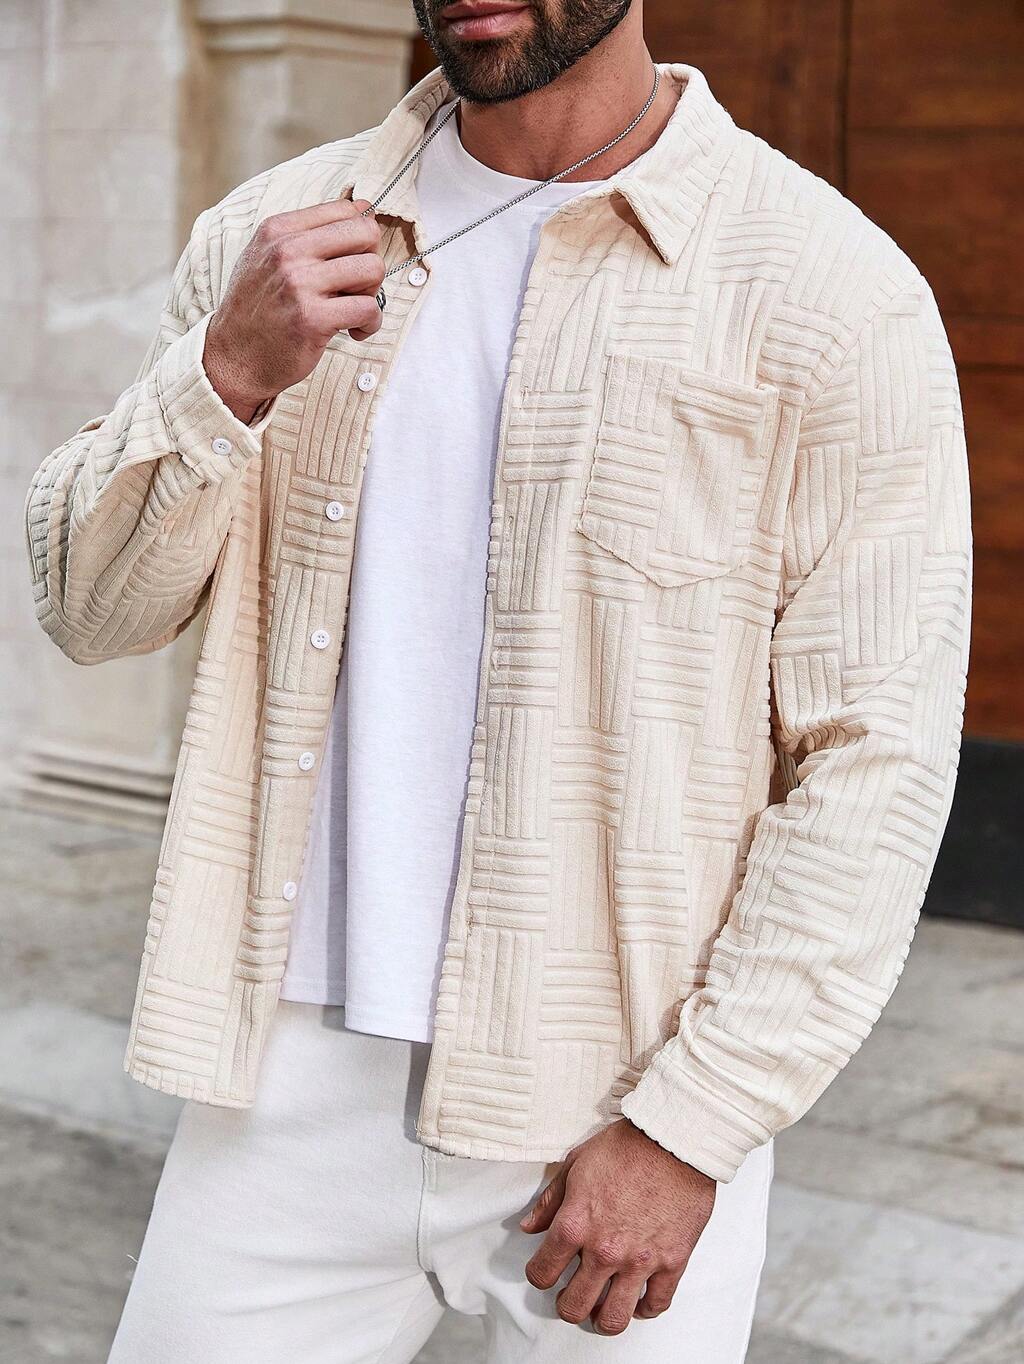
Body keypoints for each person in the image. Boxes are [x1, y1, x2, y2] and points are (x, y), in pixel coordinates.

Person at [24, 1, 972, 1360]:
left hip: (616, 1102)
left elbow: (874, 755)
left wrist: (693, 1124)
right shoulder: (271, 236)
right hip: (285, 1084)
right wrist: (225, 375)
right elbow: (91, 611)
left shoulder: (830, 287)